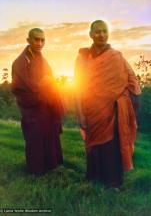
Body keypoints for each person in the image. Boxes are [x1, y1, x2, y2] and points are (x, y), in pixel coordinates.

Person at [74, 20, 141, 188]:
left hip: (113, 111)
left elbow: (132, 80)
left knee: (112, 147)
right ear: (90, 34)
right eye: (97, 32)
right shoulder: (82, 58)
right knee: (94, 146)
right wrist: (80, 113)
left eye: (104, 31)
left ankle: (113, 182)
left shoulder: (116, 56)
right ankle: (94, 178)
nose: (101, 35)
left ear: (108, 33)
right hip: (91, 110)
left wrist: (128, 100)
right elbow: (77, 86)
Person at [11, 28, 64, 175]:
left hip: (47, 106)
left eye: (43, 40)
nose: (40, 43)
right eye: (36, 39)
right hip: (32, 108)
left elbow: (51, 81)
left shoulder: (42, 60)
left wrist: (50, 87)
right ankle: (36, 171)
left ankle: (51, 166)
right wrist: (43, 87)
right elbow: (20, 87)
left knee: (50, 134)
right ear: (28, 40)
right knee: (35, 137)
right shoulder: (20, 62)